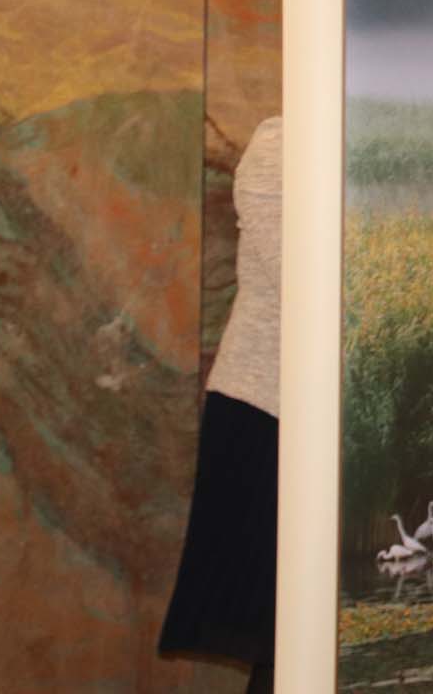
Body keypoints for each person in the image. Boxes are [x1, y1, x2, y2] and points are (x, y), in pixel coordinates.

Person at [160, 117, 281, 694]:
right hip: (268, 414)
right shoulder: (281, 145)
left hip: (335, 424)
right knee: (278, 632)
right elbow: (313, 283)